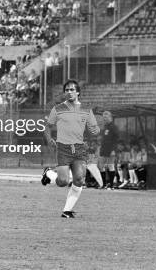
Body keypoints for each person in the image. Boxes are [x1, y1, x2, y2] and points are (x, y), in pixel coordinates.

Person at [41, 79, 99, 218]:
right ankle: (49, 173)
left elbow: (94, 129)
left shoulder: (86, 110)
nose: (69, 92)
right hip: (63, 148)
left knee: (79, 179)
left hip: (79, 149)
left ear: (78, 92)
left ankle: (66, 211)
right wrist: (49, 140)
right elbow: (48, 126)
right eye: (67, 90)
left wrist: (95, 130)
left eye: (72, 89)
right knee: (63, 182)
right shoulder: (58, 109)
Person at [99, 111, 118, 188]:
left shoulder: (113, 127)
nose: (104, 119)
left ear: (110, 117)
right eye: (104, 117)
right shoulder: (105, 126)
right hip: (104, 149)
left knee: (111, 166)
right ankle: (104, 184)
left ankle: (111, 185)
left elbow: (116, 139)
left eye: (106, 117)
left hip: (111, 149)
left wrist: (113, 150)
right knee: (101, 166)